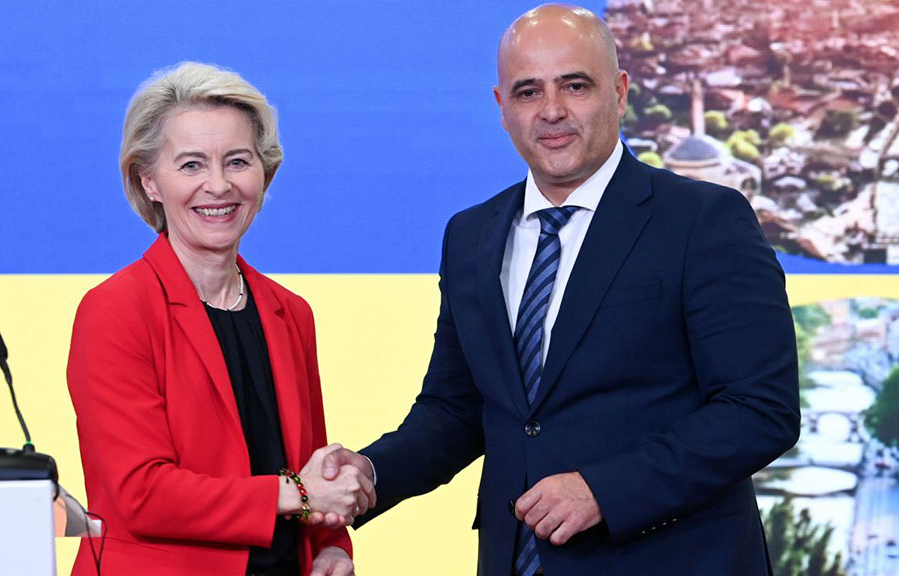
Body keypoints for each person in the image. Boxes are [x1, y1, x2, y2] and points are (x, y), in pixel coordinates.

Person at [315, 5, 800, 575]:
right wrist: (371, 472)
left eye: (575, 86)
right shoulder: (470, 235)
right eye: (528, 92)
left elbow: (758, 409)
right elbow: (457, 409)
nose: (551, 111)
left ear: (620, 92)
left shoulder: (704, 220)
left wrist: (604, 490)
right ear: (501, 107)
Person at [67, 62, 370, 576]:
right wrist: (296, 493)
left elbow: (309, 473)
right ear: (149, 181)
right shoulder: (115, 309)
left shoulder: (290, 312)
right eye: (191, 165)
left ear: (263, 173)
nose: (218, 185)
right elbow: (142, 493)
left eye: (237, 161)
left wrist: (332, 546)